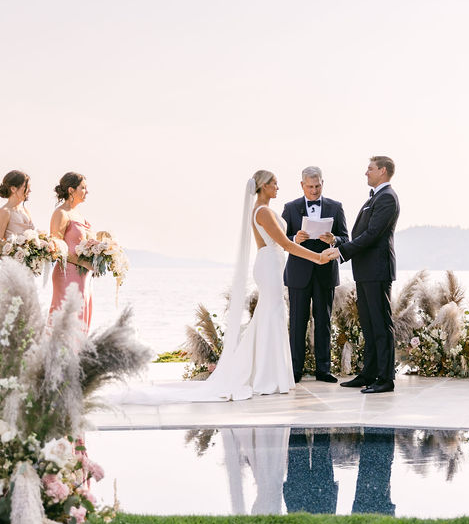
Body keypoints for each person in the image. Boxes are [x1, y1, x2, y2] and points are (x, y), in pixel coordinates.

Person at [120, 170, 336, 403]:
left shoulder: (264, 210)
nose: (278, 187)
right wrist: (318, 258)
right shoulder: (262, 211)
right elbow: (284, 243)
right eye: (274, 183)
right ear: (263, 186)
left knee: (270, 316)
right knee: (271, 315)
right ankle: (266, 376)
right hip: (269, 264)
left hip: (271, 264)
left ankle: (272, 373)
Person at [332, 156, 400, 395]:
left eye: (370, 168)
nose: (366, 172)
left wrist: (341, 251)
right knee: (369, 325)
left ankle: (386, 378)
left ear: (382, 171)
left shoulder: (387, 199)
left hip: (377, 270)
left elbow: (372, 234)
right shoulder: (374, 198)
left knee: (381, 324)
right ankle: (369, 373)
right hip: (365, 271)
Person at [282, 166, 349, 384]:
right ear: (302, 185)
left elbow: (345, 239)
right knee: (297, 323)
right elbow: (280, 239)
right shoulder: (290, 208)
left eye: (317, 186)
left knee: (324, 322)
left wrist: (333, 240)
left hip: (325, 273)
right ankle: (295, 370)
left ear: (323, 183)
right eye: (310, 187)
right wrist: (294, 238)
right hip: (298, 274)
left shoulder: (335, 207)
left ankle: (323, 369)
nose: (314, 190)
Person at [50, 172, 94, 331]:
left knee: (81, 318)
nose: (86, 191)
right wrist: (85, 263)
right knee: (67, 320)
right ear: (71, 190)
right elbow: (57, 248)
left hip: (84, 275)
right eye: (83, 188)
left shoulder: (79, 215)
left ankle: (77, 355)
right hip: (67, 273)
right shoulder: (60, 213)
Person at [0, 170, 35, 240]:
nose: (30, 191)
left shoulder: (25, 210)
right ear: (13, 189)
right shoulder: (4, 212)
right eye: (26, 187)